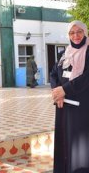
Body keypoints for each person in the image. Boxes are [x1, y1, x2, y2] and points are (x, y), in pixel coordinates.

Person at [50, 20, 89, 173]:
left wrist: (64, 89)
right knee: (64, 141)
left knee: (80, 144)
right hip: (63, 105)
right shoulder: (64, 53)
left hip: (82, 106)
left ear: (85, 32)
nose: (76, 35)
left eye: (79, 31)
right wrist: (57, 92)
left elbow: (87, 77)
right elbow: (54, 73)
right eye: (72, 32)